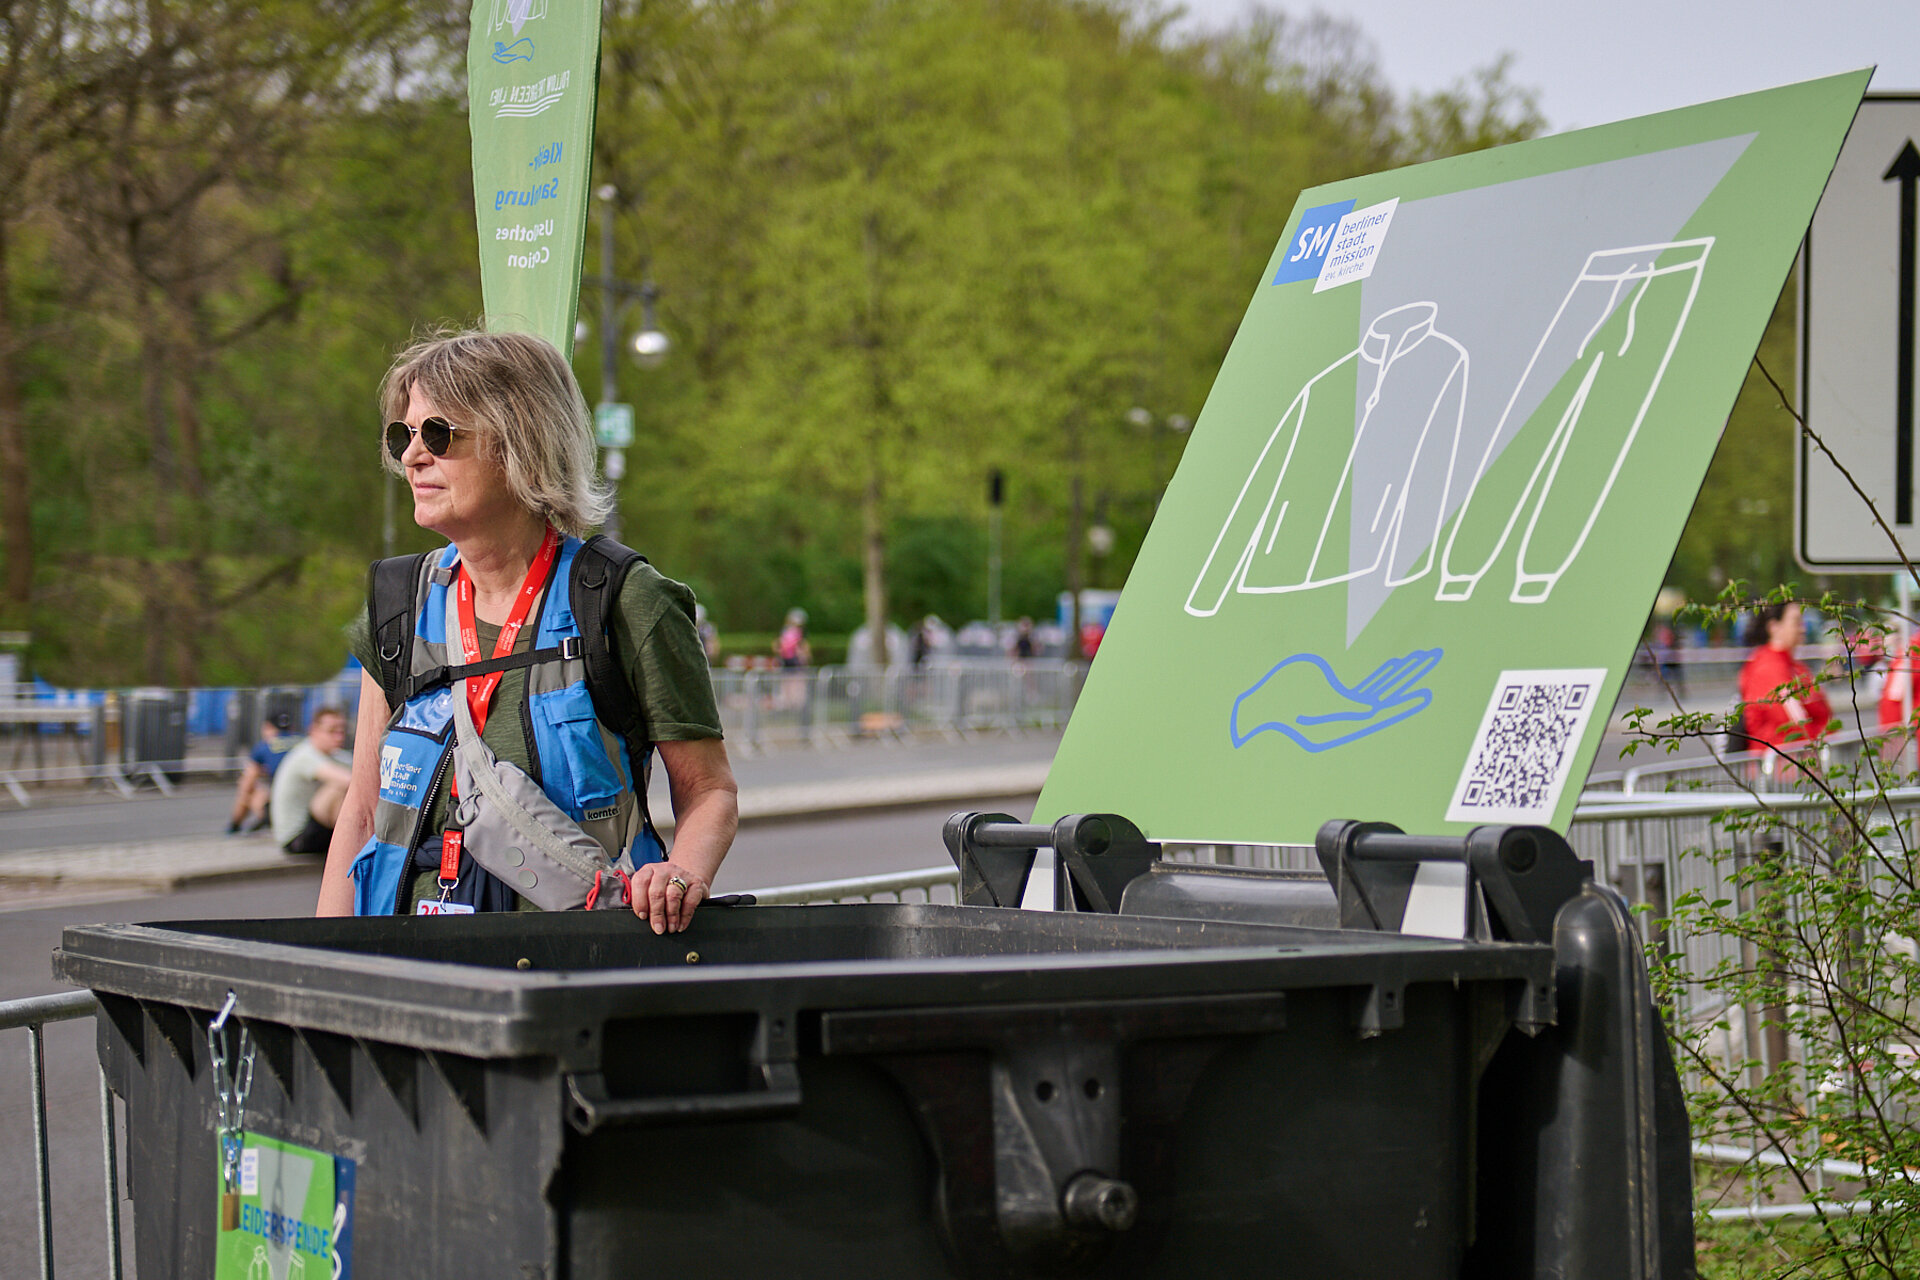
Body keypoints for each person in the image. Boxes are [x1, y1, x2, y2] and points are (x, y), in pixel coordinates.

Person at [314, 330, 737, 934]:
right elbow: (359, 812)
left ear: (521, 440)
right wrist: (326, 963)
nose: (412, 456)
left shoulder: (625, 600)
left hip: (574, 970)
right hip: (407, 970)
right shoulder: (397, 607)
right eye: (402, 436)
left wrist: (680, 874)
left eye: (439, 433)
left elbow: (710, 791)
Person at [1738, 601, 1833, 755]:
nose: (1803, 628)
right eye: (1796, 622)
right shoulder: (1768, 667)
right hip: (1783, 767)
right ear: (1774, 627)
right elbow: (1794, 723)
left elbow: (1825, 714)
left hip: (1799, 761)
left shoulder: (1796, 667)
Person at [271, 708, 353, 853]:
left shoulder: (339, 756)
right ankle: (353, 842)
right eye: (332, 731)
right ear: (314, 730)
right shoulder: (305, 755)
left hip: (319, 829)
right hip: (296, 837)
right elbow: (349, 781)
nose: (339, 737)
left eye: (341, 731)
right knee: (339, 787)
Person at [227, 710, 295, 834]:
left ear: (267, 726)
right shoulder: (302, 741)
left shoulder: (265, 746)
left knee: (247, 790)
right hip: (309, 804)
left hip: (281, 808)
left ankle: (233, 827)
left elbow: (248, 782)